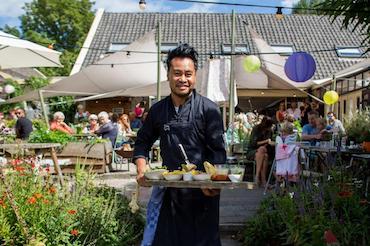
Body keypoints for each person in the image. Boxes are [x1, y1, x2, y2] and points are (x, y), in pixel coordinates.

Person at [134, 44, 226, 246]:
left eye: (188, 74)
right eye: (177, 73)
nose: (182, 79)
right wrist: (141, 166)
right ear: (168, 75)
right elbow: (142, 141)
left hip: (204, 191)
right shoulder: (158, 111)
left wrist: (215, 183)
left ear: (195, 76)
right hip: (170, 192)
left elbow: (218, 152)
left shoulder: (209, 110)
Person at [247, 116, 275, 186]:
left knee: (265, 155)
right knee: (263, 151)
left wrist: (269, 144)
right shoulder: (256, 129)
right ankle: (263, 180)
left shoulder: (270, 131)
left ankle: (258, 177)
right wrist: (266, 141)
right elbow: (253, 143)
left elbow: (269, 143)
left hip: (263, 151)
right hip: (252, 151)